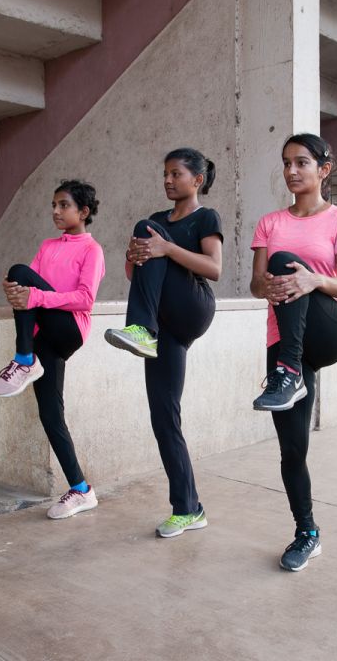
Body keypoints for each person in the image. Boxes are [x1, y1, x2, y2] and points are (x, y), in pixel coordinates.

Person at [249, 133, 337, 571]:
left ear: (323, 169)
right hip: (283, 341)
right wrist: (273, 285)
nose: (292, 171)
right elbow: (258, 285)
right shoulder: (269, 223)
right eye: (286, 163)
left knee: (288, 264)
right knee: (291, 450)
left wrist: (313, 280)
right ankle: (307, 533)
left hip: (327, 327)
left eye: (301, 163)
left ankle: (290, 372)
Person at [104, 148, 222, 538]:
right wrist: (135, 254)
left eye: (176, 174)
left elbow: (215, 268)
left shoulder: (206, 217)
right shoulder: (156, 222)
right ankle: (188, 509)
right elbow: (134, 273)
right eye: (165, 175)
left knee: (148, 230)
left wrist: (166, 248)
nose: (168, 180)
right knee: (163, 416)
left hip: (192, 306)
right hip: (161, 327)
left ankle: (142, 331)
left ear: (197, 180)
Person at [0, 180, 106, 520]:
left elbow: (85, 299)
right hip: (43, 335)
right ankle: (82, 490)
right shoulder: (47, 245)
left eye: (63, 205)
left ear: (83, 212)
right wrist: (14, 291)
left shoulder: (91, 250)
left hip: (69, 329)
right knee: (51, 415)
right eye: (53, 205)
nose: (55, 211)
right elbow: (29, 292)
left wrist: (33, 294)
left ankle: (23, 359)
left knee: (20, 271)